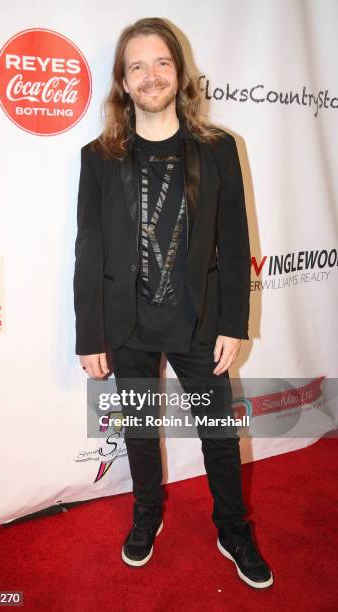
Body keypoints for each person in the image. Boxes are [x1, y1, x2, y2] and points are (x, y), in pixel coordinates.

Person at [73, 17, 273, 589]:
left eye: (161, 62)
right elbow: (88, 249)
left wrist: (235, 323)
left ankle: (232, 529)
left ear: (179, 73)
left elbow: (235, 246)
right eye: (137, 66)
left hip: (201, 325)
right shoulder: (98, 157)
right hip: (126, 326)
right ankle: (147, 513)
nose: (151, 75)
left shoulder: (218, 150)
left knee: (219, 434)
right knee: (139, 428)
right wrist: (90, 335)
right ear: (123, 81)